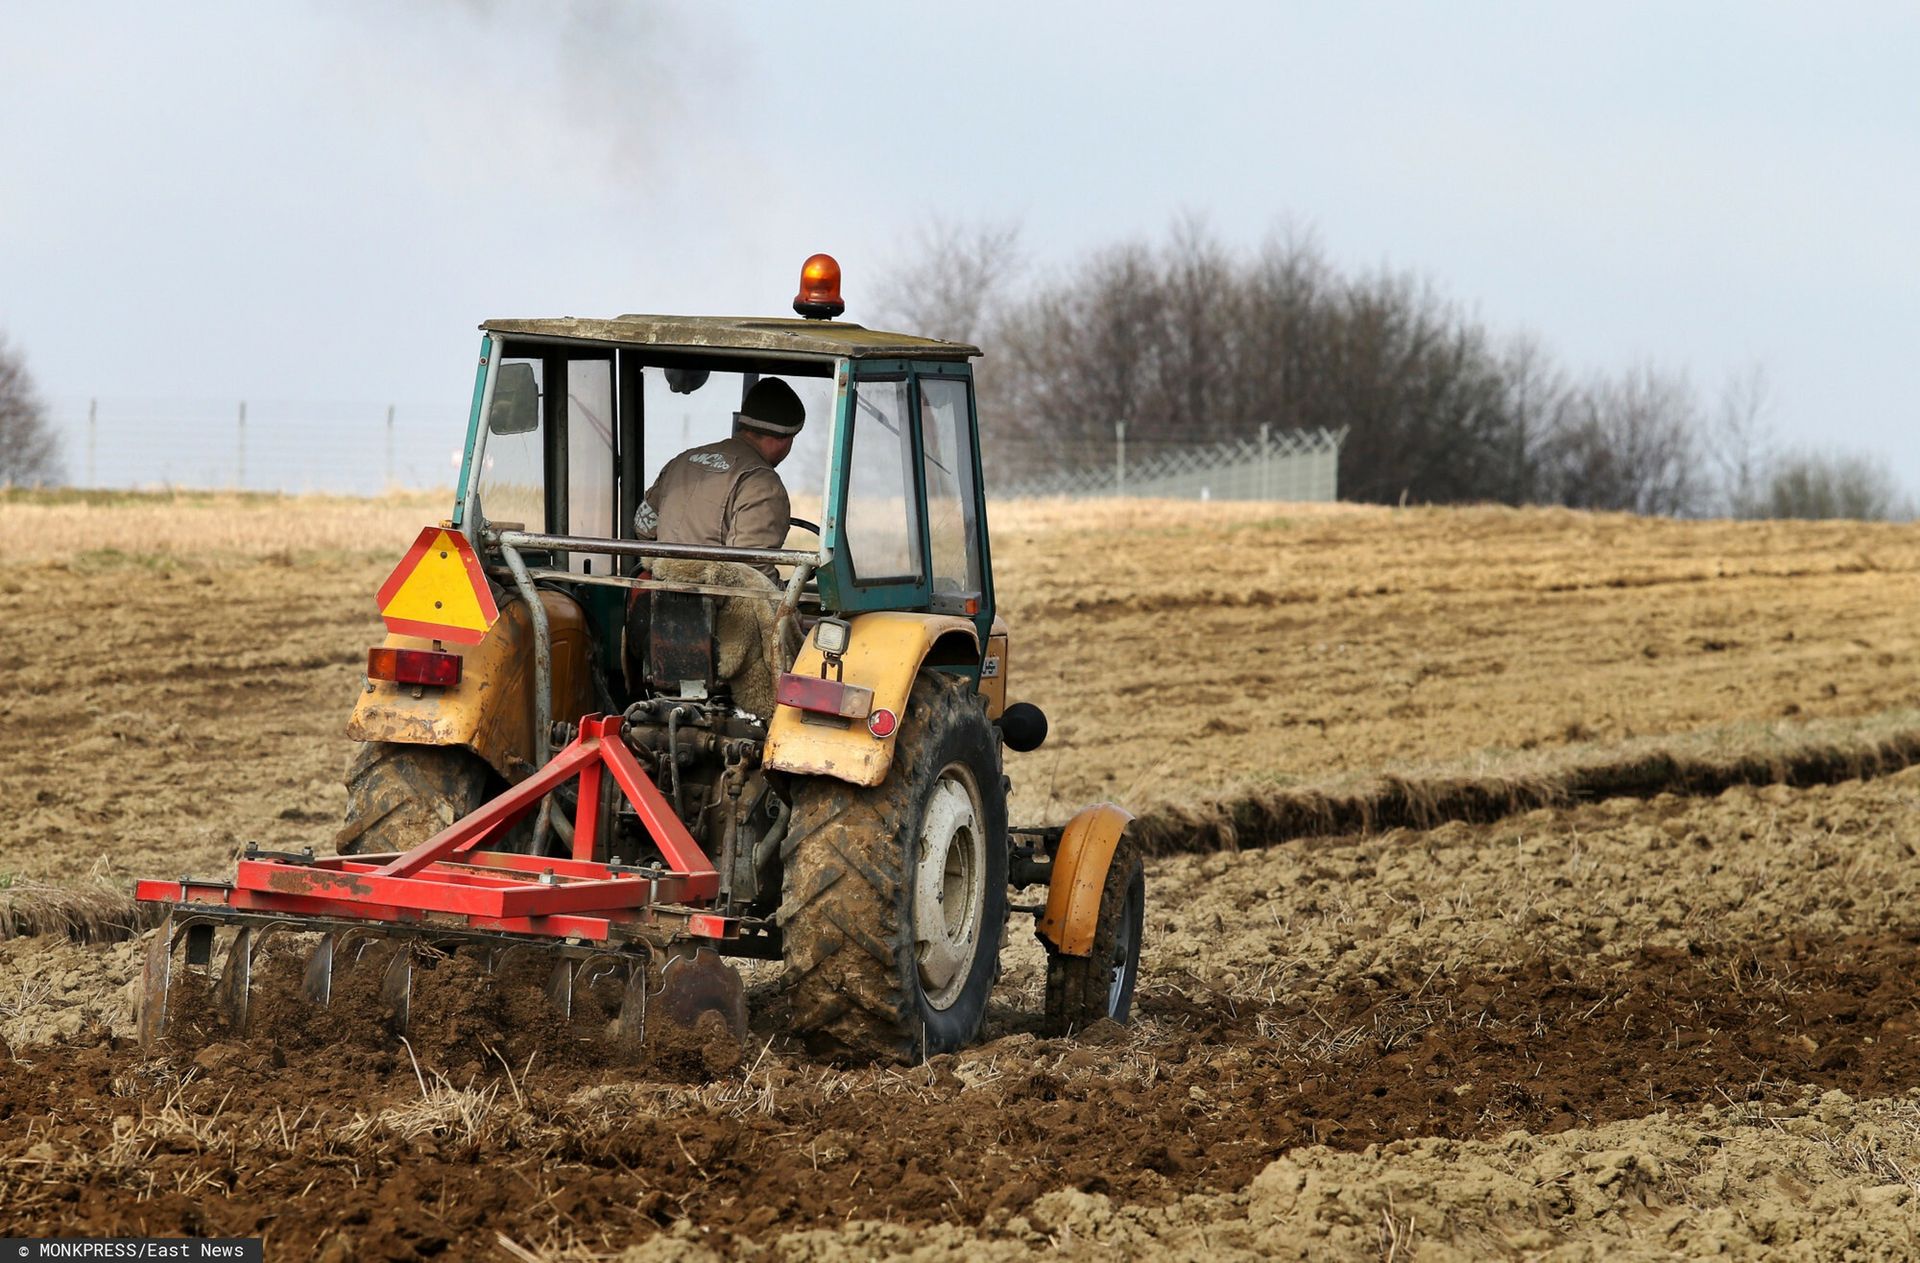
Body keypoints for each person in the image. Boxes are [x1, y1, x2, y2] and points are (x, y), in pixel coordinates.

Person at [634, 377, 804, 581]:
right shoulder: (763, 484)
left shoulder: (683, 460)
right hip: (715, 606)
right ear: (784, 439)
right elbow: (752, 574)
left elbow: (643, 527)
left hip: (658, 594)